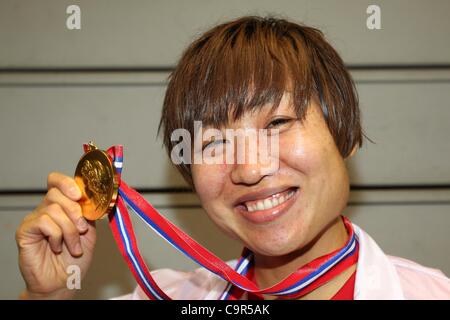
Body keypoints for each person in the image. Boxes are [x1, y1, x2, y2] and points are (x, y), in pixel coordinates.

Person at [16, 16, 450, 300]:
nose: (250, 168)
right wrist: (46, 296)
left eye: (278, 123)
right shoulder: (170, 296)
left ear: (346, 135)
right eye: (213, 144)